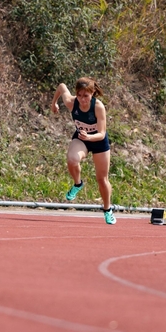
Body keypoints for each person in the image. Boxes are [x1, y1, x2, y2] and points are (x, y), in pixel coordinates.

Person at [51, 78, 116, 224]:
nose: (82, 99)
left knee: (102, 179)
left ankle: (107, 209)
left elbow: (102, 134)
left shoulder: (98, 107)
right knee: (72, 160)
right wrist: (54, 103)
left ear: (92, 94)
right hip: (82, 139)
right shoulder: (71, 102)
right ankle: (78, 183)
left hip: (98, 141)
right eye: (79, 95)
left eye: (86, 96)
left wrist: (90, 136)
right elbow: (61, 86)